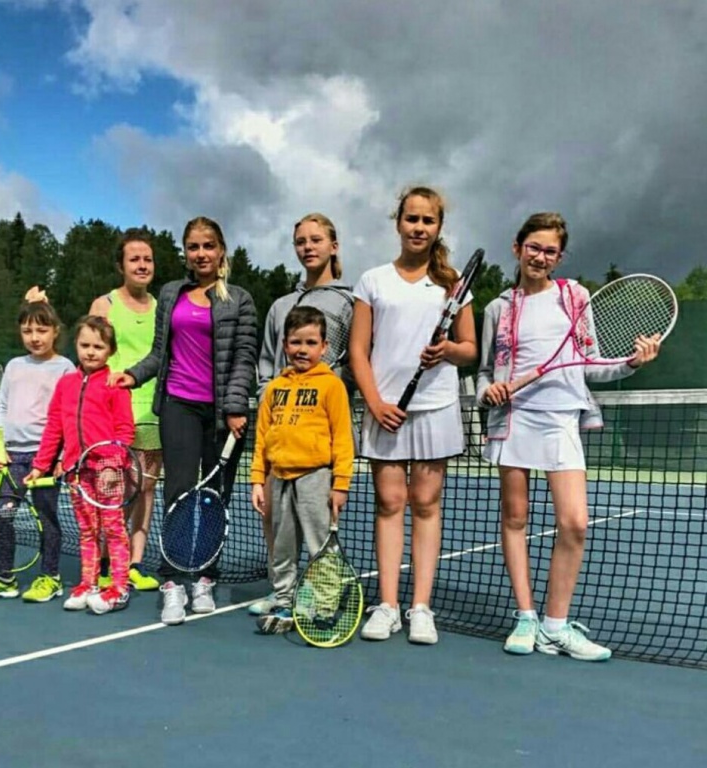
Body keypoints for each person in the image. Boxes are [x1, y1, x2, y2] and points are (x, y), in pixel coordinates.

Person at [477, 212, 661, 661]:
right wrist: (488, 391)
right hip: (513, 420)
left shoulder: (574, 297)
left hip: (561, 421)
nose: (540, 257)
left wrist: (632, 363)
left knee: (575, 522)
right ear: (517, 248)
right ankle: (527, 618)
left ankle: (556, 625)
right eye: (533, 247)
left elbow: (591, 365)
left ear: (559, 258)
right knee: (515, 518)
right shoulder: (499, 308)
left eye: (550, 251)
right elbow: (484, 371)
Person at [112, 217, 258, 625]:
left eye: (208, 246)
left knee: (214, 497)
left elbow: (243, 358)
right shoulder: (171, 293)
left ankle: (206, 577)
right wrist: (133, 375)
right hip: (178, 405)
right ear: (186, 253)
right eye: (193, 247)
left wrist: (234, 408)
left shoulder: (240, 300)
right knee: (177, 494)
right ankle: (173, 580)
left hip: (223, 415)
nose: (201, 254)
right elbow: (159, 353)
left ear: (221, 250)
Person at [349, 186, 477, 644]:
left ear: (438, 228)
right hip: (386, 410)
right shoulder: (373, 281)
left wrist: (448, 350)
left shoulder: (453, 282)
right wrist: (375, 403)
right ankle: (388, 605)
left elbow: (470, 349)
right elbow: (358, 351)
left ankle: (420, 607)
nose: (419, 227)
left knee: (426, 504)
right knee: (389, 503)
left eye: (428, 221)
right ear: (398, 222)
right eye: (412, 219)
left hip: (435, 407)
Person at [250, 212, 353, 617]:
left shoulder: (348, 302)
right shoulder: (280, 306)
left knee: (317, 536)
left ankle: (323, 600)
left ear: (333, 246)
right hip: (280, 446)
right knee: (280, 535)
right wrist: (270, 395)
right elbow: (266, 360)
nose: (308, 247)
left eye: (316, 239)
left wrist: (340, 479)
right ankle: (284, 597)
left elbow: (357, 360)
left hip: (316, 456)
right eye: (300, 241)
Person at [0, 288, 75, 602]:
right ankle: (5, 579)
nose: (34, 337)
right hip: (12, 457)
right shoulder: (13, 366)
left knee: (47, 518)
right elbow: (2, 406)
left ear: (55, 331)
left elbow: (69, 415)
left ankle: (50, 577)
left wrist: (62, 457)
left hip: (45, 458)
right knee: (1, 514)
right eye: (27, 331)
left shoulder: (66, 368)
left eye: (41, 330)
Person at [25, 316, 136, 614]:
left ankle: (119, 587)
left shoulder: (115, 386)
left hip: (107, 470)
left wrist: (113, 465)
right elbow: (54, 428)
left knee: (113, 529)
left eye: (98, 347)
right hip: (76, 472)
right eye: (85, 345)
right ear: (75, 344)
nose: (90, 352)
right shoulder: (66, 384)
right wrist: (40, 465)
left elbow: (125, 430)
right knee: (87, 530)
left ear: (110, 350)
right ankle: (88, 584)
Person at [90, 228, 161, 592]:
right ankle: (106, 562)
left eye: (147, 259)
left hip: (153, 414)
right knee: (115, 490)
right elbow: (91, 356)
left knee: (146, 489)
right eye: (134, 259)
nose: (142, 265)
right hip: (115, 414)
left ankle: (135, 563)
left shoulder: (163, 308)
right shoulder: (104, 305)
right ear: (121, 266)